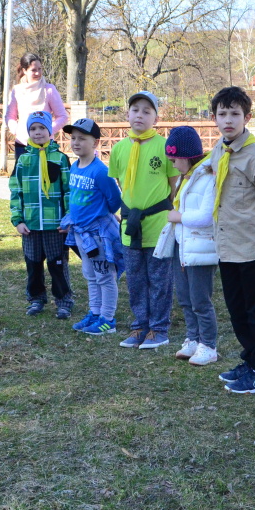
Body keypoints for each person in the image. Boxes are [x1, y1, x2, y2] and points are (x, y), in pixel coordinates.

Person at [209, 87, 255, 393]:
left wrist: (251, 224)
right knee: (237, 312)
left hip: (253, 248)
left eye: (235, 114)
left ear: (247, 117)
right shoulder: (218, 150)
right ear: (214, 118)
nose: (228, 120)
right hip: (227, 248)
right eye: (222, 114)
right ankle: (249, 361)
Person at [107, 91, 180, 349]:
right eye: (135, 110)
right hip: (131, 225)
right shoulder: (119, 149)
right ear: (127, 114)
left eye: (147, 111)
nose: (140, 115)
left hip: (157, 225)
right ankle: (139, 326)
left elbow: (173, 185)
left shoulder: (165, 147)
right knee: (135, 279)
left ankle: (158, 329)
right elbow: (121, 182)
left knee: (159, 279)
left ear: (156, 118)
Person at [157, 126, 220, 366]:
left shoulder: (207, 178)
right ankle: (193, 339)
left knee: (200, 300)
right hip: (182, 247)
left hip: (200, 250)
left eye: (174, 159)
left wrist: (178, 217)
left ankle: (208, 345)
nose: (172, 165)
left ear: (186, 156)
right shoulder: (186, 178)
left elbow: (206, 217)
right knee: (184, 297)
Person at [9, 111, 74, 318]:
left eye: (42, 128)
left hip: (55, 225)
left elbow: (68, 191)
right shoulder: (23, 160)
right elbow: (16, 191)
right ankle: (36, 299)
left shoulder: (60, 158)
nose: (38, 132)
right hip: (31, 225)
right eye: (33, 128)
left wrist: (68, 218)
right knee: (33, 264)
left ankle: (63, 301)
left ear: (50, 130)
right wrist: (18, 220)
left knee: (57, 264)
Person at [62, 118, 125, 335]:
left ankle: (107, 319)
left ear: (95, 143)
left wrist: (101, 215)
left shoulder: (100, 171)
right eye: (73, 138)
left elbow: (114, 200)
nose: (76, 143)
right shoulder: (74, 167)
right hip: (81, 233)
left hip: (98, 234)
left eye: (82, 139)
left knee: (105, 276)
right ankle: (95, 313)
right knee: (90, 274)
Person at [4, 53, 69, 163]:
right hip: (23, 144)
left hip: (45, 145)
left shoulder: (49, 90)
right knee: (23, 174)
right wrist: (16, 130)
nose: (38, 73)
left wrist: (48, 131)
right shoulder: (17, 90)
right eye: (33, 70)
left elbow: (62, 116)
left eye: (40, 69)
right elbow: (10, 116)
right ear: (24, 70)